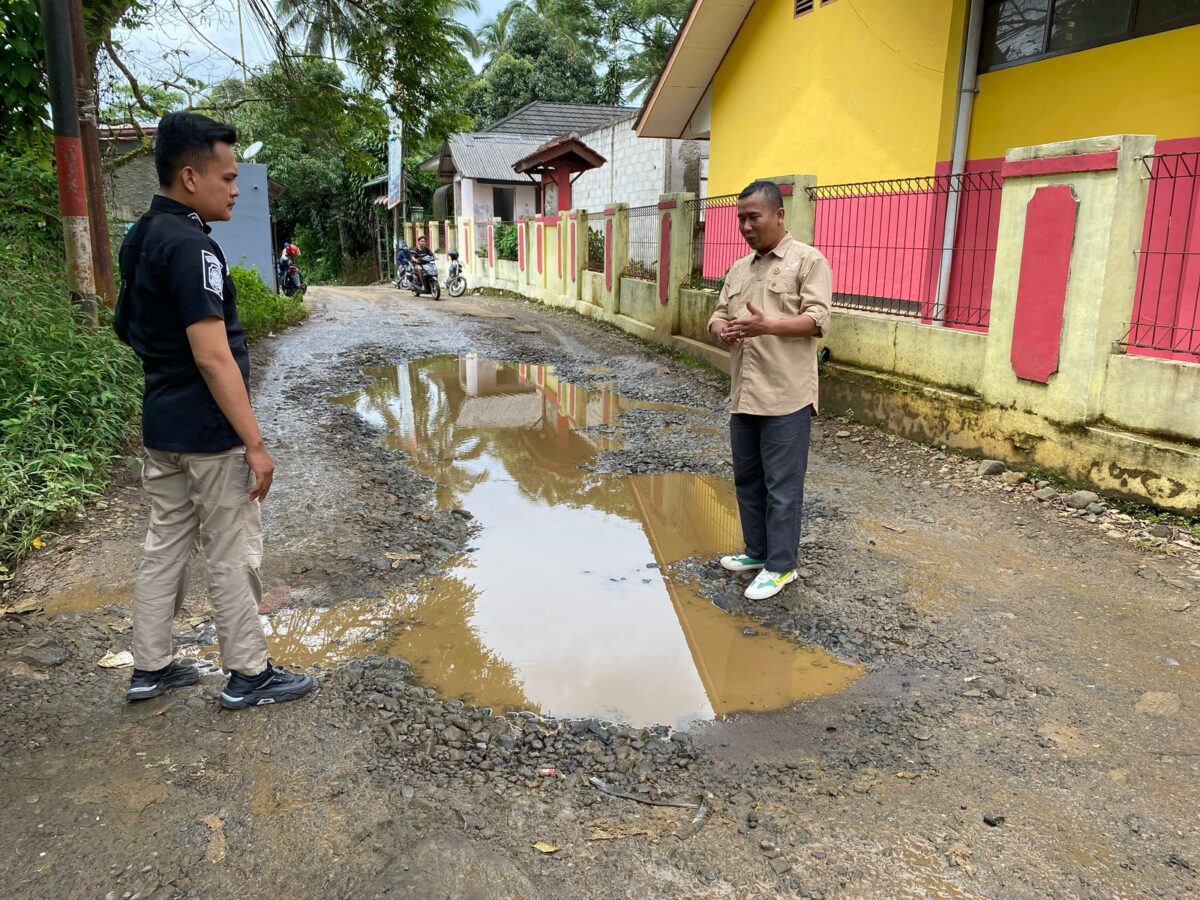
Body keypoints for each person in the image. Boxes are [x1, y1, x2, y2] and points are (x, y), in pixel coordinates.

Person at [114, 111, 314, 709]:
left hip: (162, 426)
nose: (235, 188)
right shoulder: (192, 245)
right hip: (208, 432)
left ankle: (150, 667)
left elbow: (129, 328)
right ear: (189, 176)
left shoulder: (141, 236)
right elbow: (213, 355)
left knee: (165, 546)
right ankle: (248, 675)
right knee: (230, 551)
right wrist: (254, 442)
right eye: (226, 177)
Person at [707, 180, 832, 601]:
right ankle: (758, 553)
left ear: (779, 215)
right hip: (745, 392)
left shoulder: (807, 262)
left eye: (753, 217)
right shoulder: (740, 268)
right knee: (748, 479)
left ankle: (782, 567)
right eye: (740, 218)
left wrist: (768, 326)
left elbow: (818, 320)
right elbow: (719, 313)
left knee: (782, 485)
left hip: (786, 393)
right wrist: (722, 328)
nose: (745, 225)